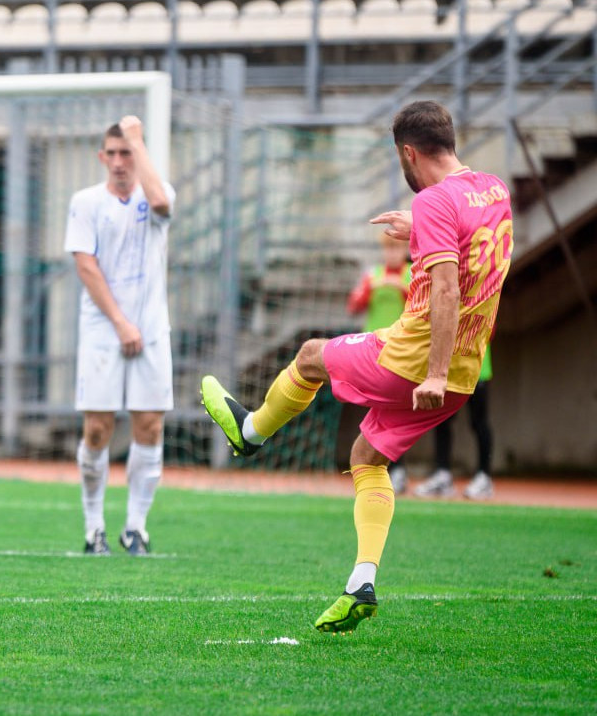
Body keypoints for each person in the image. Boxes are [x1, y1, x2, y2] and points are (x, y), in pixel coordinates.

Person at [200, 100, 513, 633]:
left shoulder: (437, 200)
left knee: (310, 355)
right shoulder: (493, 189)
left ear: (408, 153)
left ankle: (250, 433)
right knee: (365, 456)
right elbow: (473, 247)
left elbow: (442, 287)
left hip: (413, 359)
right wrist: (418, 225)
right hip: (465, 370)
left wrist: (431, 371)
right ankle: (361, 582)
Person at [66, 116, 176, 557]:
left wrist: (138, 140)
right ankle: (94, 527)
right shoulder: (86, 201)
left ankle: (136, 527)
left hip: (151, 327)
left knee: (149, 424)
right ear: (100, 157)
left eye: (126, 152)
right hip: (101, 328)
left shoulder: (158, 192)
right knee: (98, 429)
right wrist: (119, 323)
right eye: (110, 153)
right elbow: (85, 265)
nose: (117, 161)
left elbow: (162, 204)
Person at [344, 234, 412, 492]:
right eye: (388, 248)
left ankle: (399, 469)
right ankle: (375, 469)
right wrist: (374, 287)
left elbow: (422, 304)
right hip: (374, 354)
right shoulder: (373, 275)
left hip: (402, 353)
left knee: (395, 415)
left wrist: (400, 286)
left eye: (397, 248)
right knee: (374, 414)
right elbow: (354, 305)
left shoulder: (412, 273)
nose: (392, 253)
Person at [414, 349, 495, 499]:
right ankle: (442, 474)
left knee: (479, 422)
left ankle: (484, 476)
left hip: (477, 369)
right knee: (442, 420)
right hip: (453, 371)